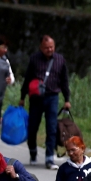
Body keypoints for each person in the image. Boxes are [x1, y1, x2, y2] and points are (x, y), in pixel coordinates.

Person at [19, 35, 71, 170]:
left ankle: (49, 158)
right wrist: (22, 96)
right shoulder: (34, 59)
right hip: (36, 98)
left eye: (52, 47)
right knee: (33, 127)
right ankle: (33, 152)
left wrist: (67, 99)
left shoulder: (60, 60)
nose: (49, 49)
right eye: (46, 47)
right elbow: (28, 78)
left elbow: (64, 80)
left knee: (52, 127)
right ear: (41, 48)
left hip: (53, 96)